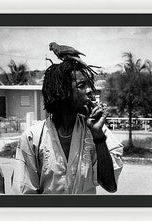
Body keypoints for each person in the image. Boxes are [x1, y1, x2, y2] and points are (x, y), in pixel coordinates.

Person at [13, 59, 123, 194]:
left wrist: (98, 137)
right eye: (82, 85)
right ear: (63, 90)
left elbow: (110, 185)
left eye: (89, 85)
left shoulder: (96, 130)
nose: (89, 91)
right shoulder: (33, 138)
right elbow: (24, 193)